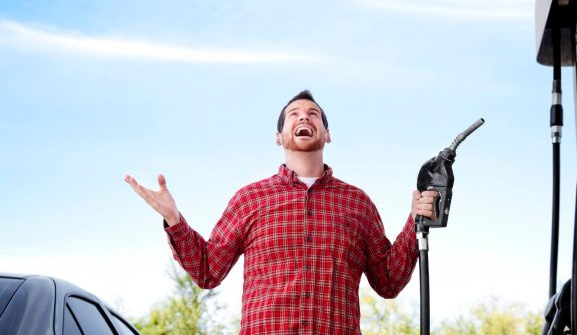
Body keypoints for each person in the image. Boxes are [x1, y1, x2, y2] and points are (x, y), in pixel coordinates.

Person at [125, 90, 438, 334]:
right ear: (279, 136)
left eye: (313, 114)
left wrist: (415, 221)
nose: (304, 117)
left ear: (327, 134)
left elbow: (388, 282)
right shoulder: (250, 200)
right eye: (294, 114)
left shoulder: (357, 204)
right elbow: (208, 270)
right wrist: (173, 219)